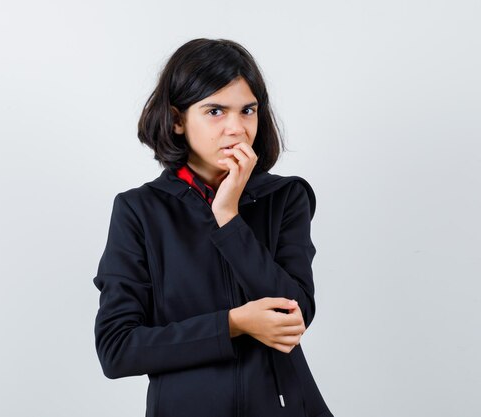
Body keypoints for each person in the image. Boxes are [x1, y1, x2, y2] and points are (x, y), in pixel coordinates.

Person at [92, 38, 334, 417]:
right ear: (176, 119)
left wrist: (229, 218)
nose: (236, 128)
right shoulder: (139, 210)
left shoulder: (285, 197)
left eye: (248, 110)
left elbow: (294, 315)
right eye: (216, 111)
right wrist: (232, 324)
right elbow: (118, 349)